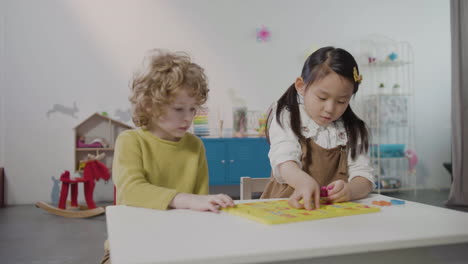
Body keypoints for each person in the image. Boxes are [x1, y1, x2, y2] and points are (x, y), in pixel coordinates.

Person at [100, 49, 234, 264]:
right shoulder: (131, 141)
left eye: (193, 109)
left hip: (178, 245)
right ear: (149, 106)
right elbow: (132, 190)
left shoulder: (194, 145)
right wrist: (186, 200)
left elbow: (200, 199)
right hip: (129, 245)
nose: (188, 118)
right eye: (179, 109)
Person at [260, 47, 374, 210]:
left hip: (329, 214)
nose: (330, 108)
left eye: (341, 101)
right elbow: (284, 161)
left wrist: (350, 190)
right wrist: (303, 182)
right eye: (322, 97)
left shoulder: (353, 128)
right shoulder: (287, 116)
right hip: (286, 208)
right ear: (301, 86)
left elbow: (364, 178)